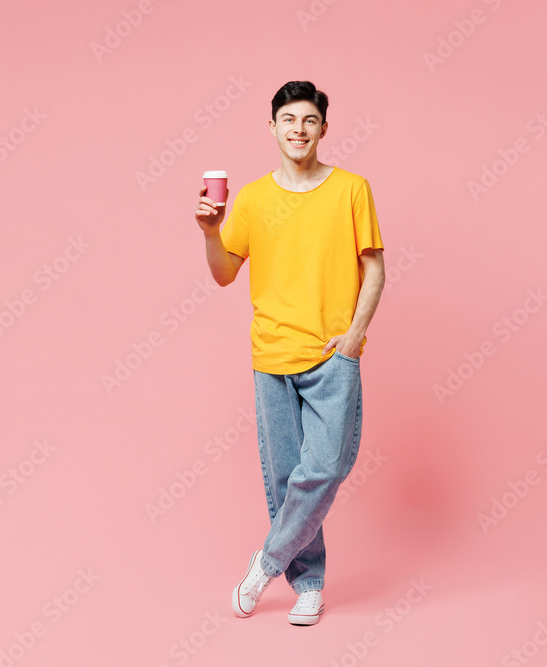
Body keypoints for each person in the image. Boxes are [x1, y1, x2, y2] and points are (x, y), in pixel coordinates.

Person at [194, 80, 385, 626]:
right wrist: (210, 232)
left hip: (332, 354)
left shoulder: (352, 189)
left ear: (323, 128)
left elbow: (374, 268)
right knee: (284, 480)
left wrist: (353, 336)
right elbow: (226, 274)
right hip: (271, 355)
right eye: (288, 120)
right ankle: (308, 585)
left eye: (308, 120)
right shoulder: (252, 198)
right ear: (272, 127)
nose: (298, 129)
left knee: (323, 468)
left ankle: (266, 562)